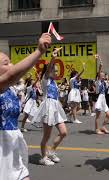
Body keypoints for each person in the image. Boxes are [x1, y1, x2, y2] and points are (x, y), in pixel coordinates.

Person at [0, 33, 51, 180]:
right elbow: (11, 76)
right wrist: (39, 51)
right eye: (5, 63)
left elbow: (13, 77)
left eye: (10, 62)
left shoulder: (10, 89)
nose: (11, 66)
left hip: (14, 145)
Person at [32, 48, 68, 166]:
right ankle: (43, 157)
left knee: (63, 132)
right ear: (49, 70)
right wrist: (53, 57)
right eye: (54, 70)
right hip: (48, 107)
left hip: (56, 107)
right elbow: (48, 70)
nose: (56, 72)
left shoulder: (54, 82)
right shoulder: (45, 80)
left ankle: (51, 151)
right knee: (46, 136)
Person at [94, 55, 109, 135]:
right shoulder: (98, 82)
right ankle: (97, 129)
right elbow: (99, 72)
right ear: (99, 76)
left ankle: (103, 126)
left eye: (104, 75)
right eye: (102, 75)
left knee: (108, 114)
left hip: (103, 99)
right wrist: (100, 66)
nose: (104, 76)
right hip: (99, 99)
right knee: (98, 115)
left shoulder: (104, 83)